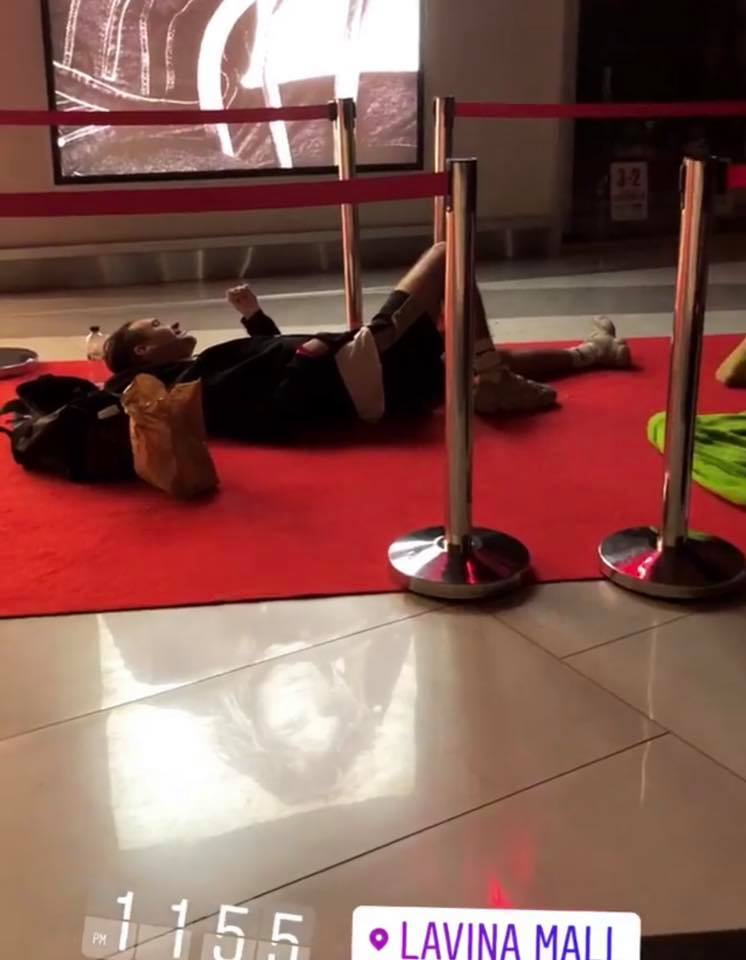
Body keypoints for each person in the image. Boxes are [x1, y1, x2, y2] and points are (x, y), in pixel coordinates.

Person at [103, 243, 632, 441]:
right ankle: (492, 380)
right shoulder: (186, 383)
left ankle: (591, 354)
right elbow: (271, 413)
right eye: (157, 325)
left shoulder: (189, 375)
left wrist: (256, 320)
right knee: (446, 253)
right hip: (352, 369)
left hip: (356, 376)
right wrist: (310, 358)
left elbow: (263, 370)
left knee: (463, 356)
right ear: (144, 352)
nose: (170, 323)